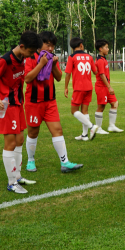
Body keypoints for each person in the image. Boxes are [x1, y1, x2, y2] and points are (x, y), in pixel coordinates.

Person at [0, 31, 39, 194]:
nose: (31, 56)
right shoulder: (5, 60)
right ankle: (11, 182)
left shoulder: (22, 58)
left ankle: (17, 176)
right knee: (9, 144)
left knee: (20, 140)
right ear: (22, 47)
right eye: (30, 52)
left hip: (18, 104)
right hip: (7, 106)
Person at [23, 31, 83, 174]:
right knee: (33, 133)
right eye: (47, 45)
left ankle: (65, 162)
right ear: (40, 44)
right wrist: (41, 64)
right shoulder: (31, 57)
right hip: (34, 102)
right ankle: (30, 161)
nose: (50, 48)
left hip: (50, 101)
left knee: (58, 130)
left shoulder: (50, 57)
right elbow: (27, 78)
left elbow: (58, 78)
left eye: (52, 45)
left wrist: (54, 64)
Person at [64, 37, 99, 141]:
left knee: (74, 111)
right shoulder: (89, 56)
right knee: (85, 111)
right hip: (89, 87)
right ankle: (85, 135)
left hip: (79, 88)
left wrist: (65, 87)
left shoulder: (72, 57)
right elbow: (95, 71)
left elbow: (67, 73)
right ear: (81, 45)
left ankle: (91, 126)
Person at [94, 39, 124, 134]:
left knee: (115, 103)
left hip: (106, 86)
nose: (108, 49)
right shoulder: (99, 61)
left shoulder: (103, 59)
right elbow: (102, 75)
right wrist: (109, 87)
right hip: (102, 87)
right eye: (106, 47)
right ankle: (98, 128)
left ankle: (111, 126)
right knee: (101, 107)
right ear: (100, 49)